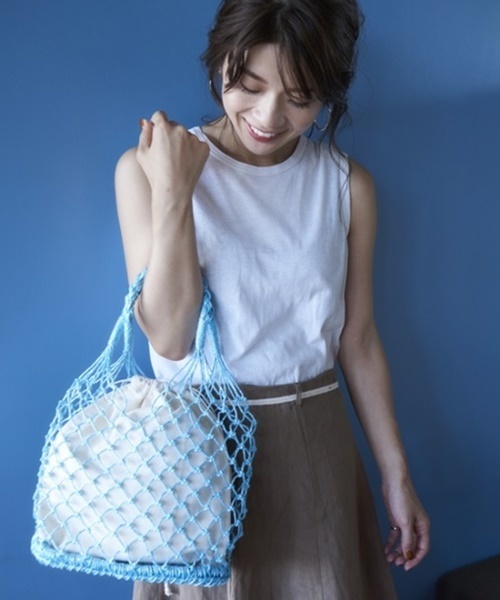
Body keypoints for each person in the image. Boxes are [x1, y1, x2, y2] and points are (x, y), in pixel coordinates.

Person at [115, 0, 430, 598]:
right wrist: (174, 193)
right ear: (219, 64)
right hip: (193, 450)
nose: (268, 116)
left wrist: (397, 475)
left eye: (300, 97)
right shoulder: (145, 169)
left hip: (312, 439)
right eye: (249, 85)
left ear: (329, 97)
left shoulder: (347, 185)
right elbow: (171, 338)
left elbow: (358, 340)